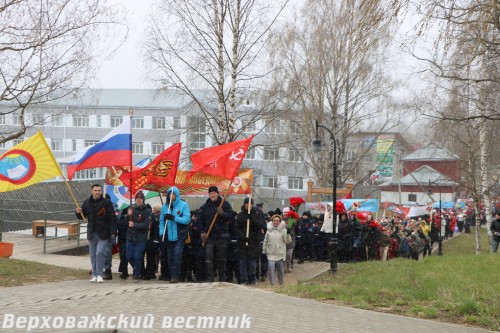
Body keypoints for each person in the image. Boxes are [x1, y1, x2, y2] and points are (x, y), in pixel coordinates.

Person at [76, 184, 116, 283]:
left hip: (103, 233)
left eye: (99, 190)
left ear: (101, 191)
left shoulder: (106, 202)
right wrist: (78, 212)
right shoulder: (86, 202)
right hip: (91, 232)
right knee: (93, 254)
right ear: (92, 191)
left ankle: (99, 274)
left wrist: (113, 232)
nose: (97, 192)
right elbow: (82, 217)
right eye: (95, 190)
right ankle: (94, 274)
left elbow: (112, 218)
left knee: (99, 253)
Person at [199, 186, 235, 282]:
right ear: (209, 194)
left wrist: (223, 214)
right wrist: (202, 232)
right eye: (210, 193)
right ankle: (210, 277)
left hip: (221, 236)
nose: (212, 195)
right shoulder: (205, 206)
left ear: (217, 193)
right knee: (209, 257)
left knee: (221, 258)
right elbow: (201, 221)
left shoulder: (225, 204)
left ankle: (222, 277)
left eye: (214, 193)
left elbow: (231, 216)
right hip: (209, 236)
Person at [159, 186, 190, 284]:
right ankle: (172, 275)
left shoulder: (183, 205)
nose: (171, 196)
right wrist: (161, 232)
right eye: (169, 194)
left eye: (173, 194)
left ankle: (176, 276)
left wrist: (174, 218)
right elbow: (161, 221)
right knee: (170, 257)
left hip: (180, 235)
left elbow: (186, 220)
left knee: (177, 254)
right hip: (168, 236)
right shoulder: (165, 207)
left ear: (176, 195)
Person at [235, 197, 265, 285]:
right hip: (242, 242)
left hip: (253, 242)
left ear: (252, 204)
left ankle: (253, 277)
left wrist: (252, 218)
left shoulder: (257, 214)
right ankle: (244, 279)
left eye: (250, 203)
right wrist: (243, 237)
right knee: (242, 262)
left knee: (252, 262)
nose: (248, 205)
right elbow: (236, 228)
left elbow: (260, 226)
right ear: (244, 204)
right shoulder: (240, 215)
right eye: (247, 203)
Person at [126, 191, 151, 280]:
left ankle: (136, 274)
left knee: (137, 256)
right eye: (137, 198)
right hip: (130, 237)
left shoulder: (147, 211)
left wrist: (135, 225)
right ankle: (140, 270)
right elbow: (126, 223)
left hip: (141, 238)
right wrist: (128, 215)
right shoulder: (131, 209)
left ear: (143, 200)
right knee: (129, 256)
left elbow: (145, 225)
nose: (138, 200)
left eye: (140, 198)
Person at [262, 214, 291, 286]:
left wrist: (288, 234)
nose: (276, 222)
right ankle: (272, 284)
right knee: (271, 269)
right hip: (271, 253)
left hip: (280, 253)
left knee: (280, 270)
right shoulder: (269, 230)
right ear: (272, 221)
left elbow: (287, 241)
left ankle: (280, 283)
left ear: (280, 221)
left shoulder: (284, 230)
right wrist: (264, 250)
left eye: (277, 221)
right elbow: (266, 240)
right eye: (274, 220)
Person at [143, 203, 161, 280]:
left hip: (153, 240)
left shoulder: (155, 220)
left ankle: (150, 273)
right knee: (151, 257)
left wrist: (155, 241)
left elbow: (155, 231)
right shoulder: (153, 219)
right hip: (151, 240)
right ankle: (150, 272)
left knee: (151, 257)